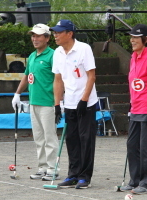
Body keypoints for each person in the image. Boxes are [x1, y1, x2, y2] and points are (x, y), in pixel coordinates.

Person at [51, 19, 98, 189]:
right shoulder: (57, 52)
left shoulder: (83, 49)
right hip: (69, 103)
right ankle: (73, 174)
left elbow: (91, 76)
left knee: (86, 139)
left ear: (69, 34)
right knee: (72, 140)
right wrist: (57, 104)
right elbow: (58, 80)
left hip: (86, 102)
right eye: (54, 32)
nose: (55, 35)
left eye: (58, 32)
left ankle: (84, 177)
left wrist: (84, 100)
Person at [11, 24, 59, 181]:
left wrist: (60, 101)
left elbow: (60, 79)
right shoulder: (32, 56)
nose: (35, 39)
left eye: (38, 36)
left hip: (48, 102)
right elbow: (26, 76)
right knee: (39, 138)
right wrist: (17, 94)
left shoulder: (53, 55)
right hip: (34, 102)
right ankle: (42, 167)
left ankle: (53, 168)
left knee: (50, 137)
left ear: (47, 38)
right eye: (33, 35)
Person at [120, 24, 147, 194]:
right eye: (131, 37)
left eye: (136, 37)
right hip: (135, 109)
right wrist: (130, 107)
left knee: (145, 148)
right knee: (132, 145)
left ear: (145, 39)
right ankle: (134, 180)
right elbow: (133, 86)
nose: (132, 40)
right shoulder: (133, 58)